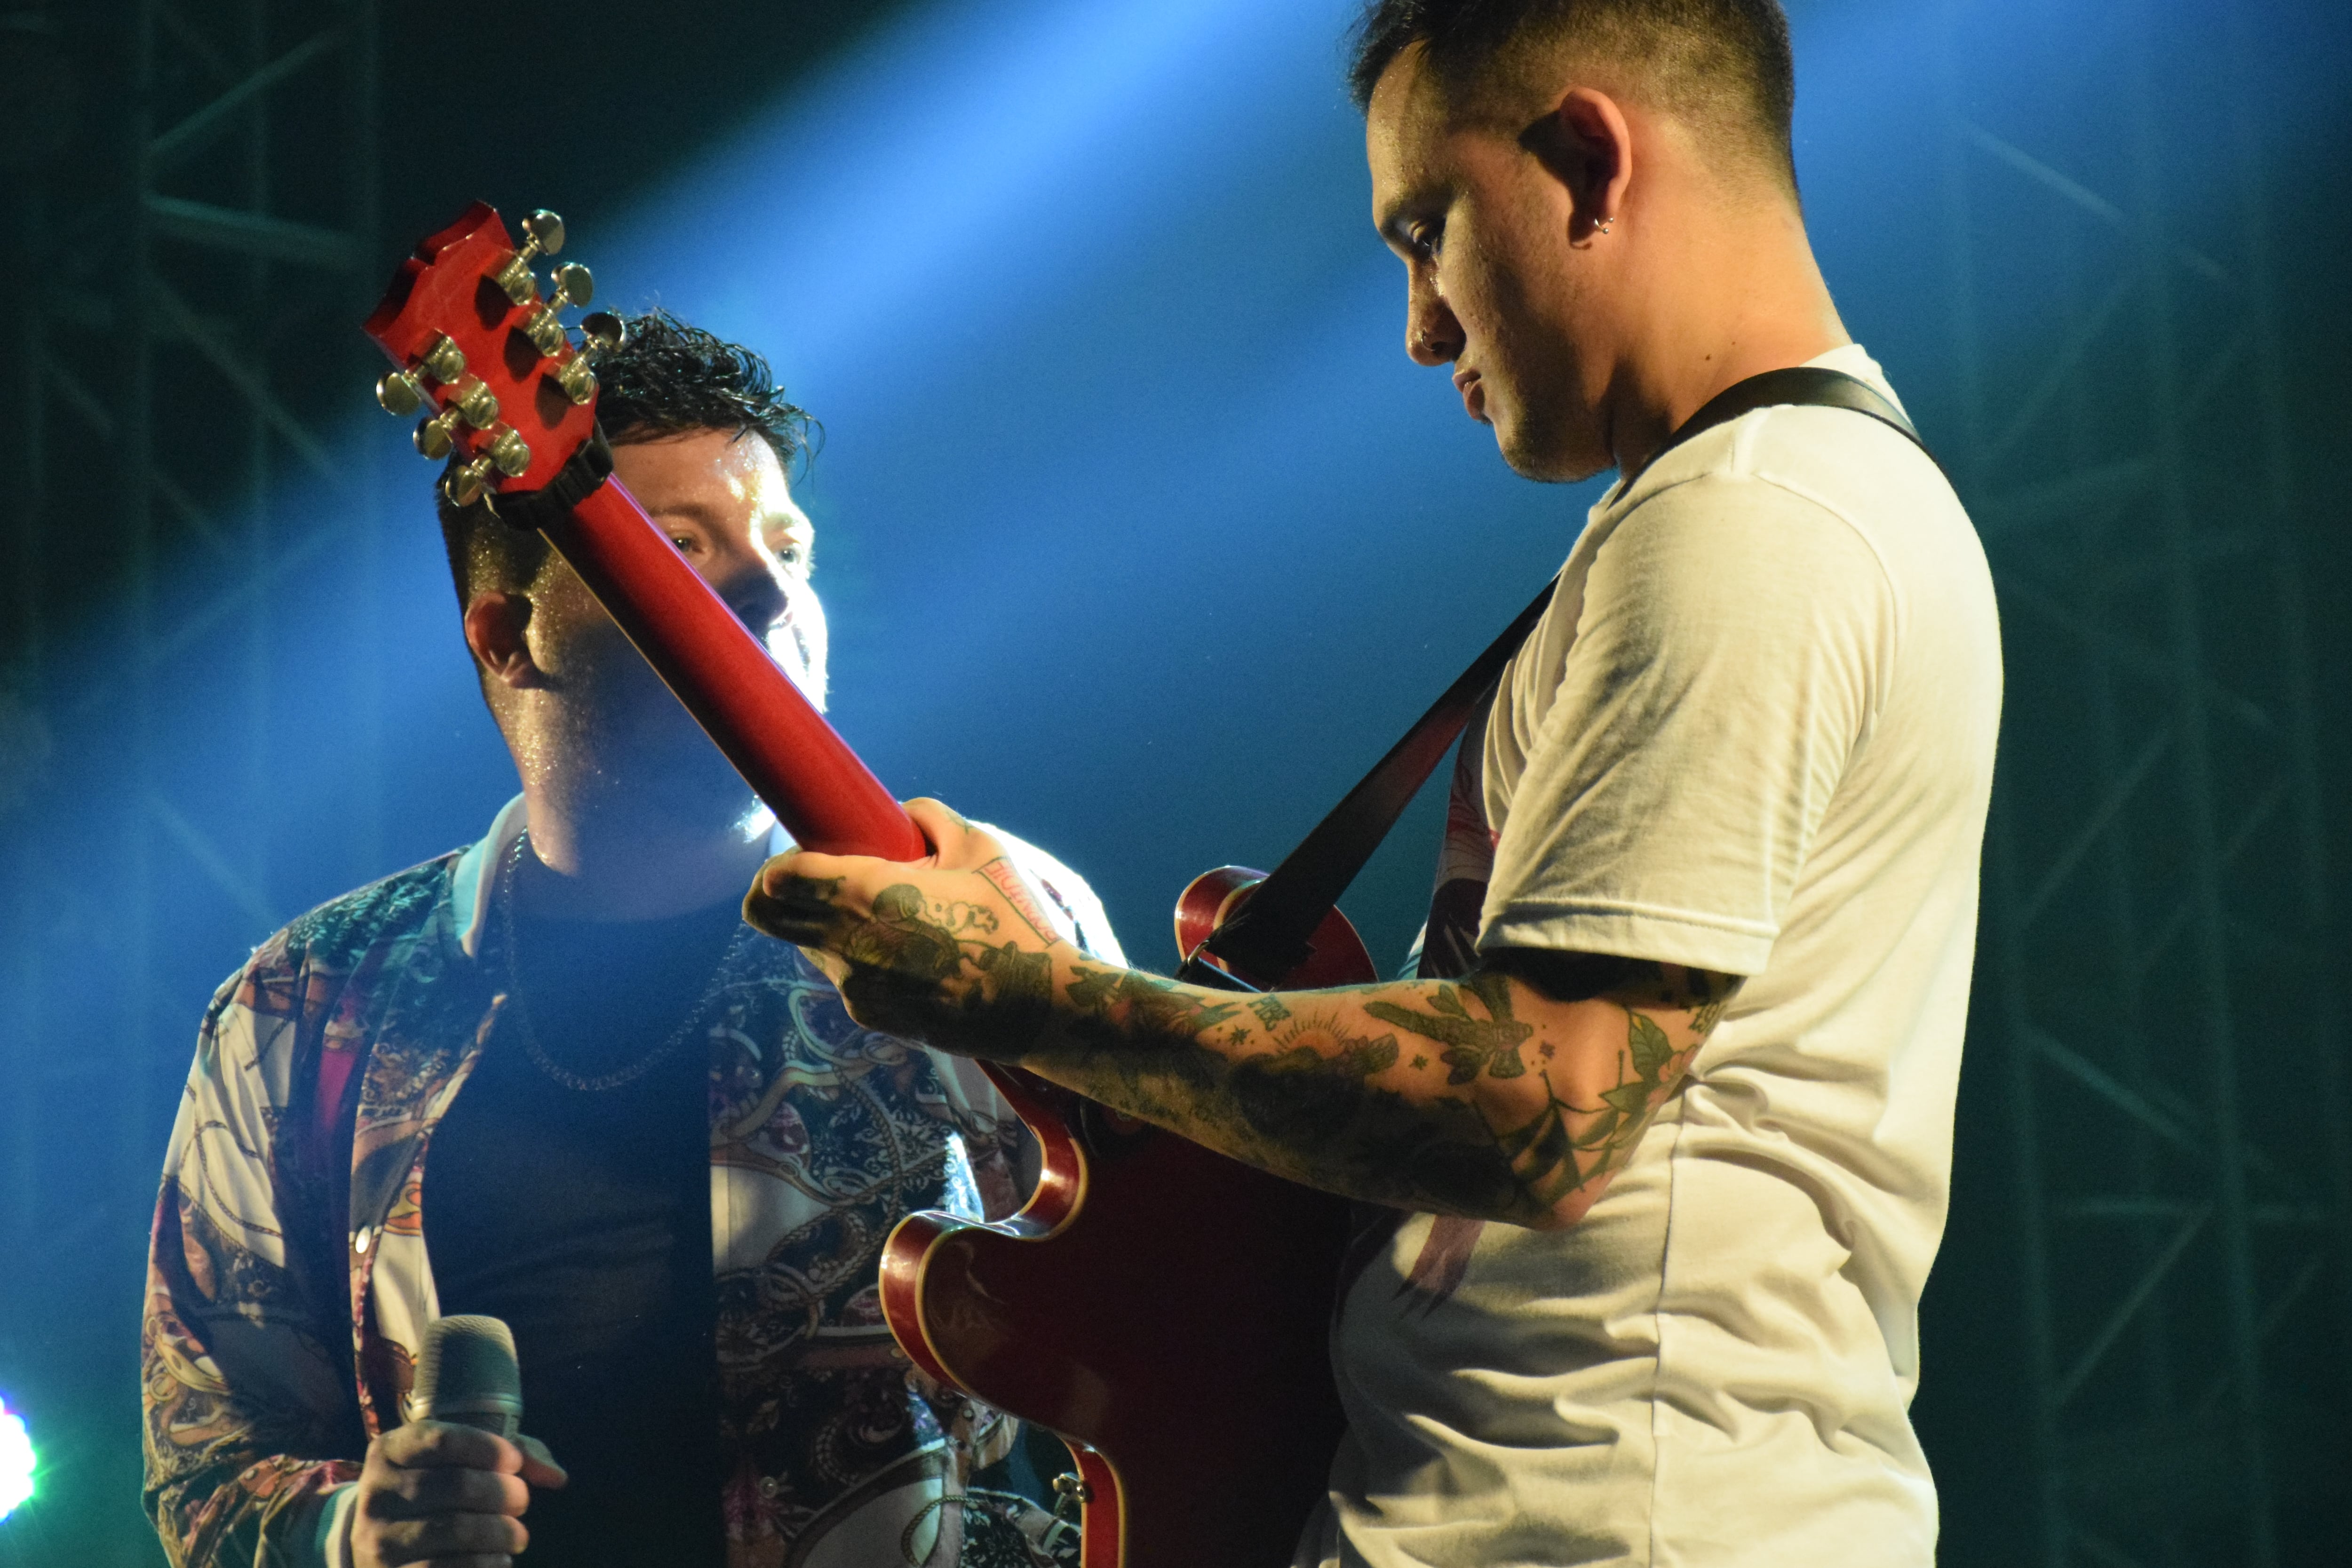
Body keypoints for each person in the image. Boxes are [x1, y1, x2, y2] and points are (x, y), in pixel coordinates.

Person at [740, 3, 2001, 1566]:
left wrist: (1027, 1001)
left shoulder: (1755, 527)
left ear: (1589, 162)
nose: (1417, 326)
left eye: (1428, 230)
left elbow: (1539, 1107)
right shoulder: (1759, 510)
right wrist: (1047, 982)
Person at [141, 311, 1120, 1568]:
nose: (769, 588)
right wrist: (349, 1532)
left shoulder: (976, 918)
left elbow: (1193, 1339)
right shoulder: (306, 1005)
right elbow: (207, 1464)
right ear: (509, 633)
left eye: (788, 546)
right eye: (682, 548)